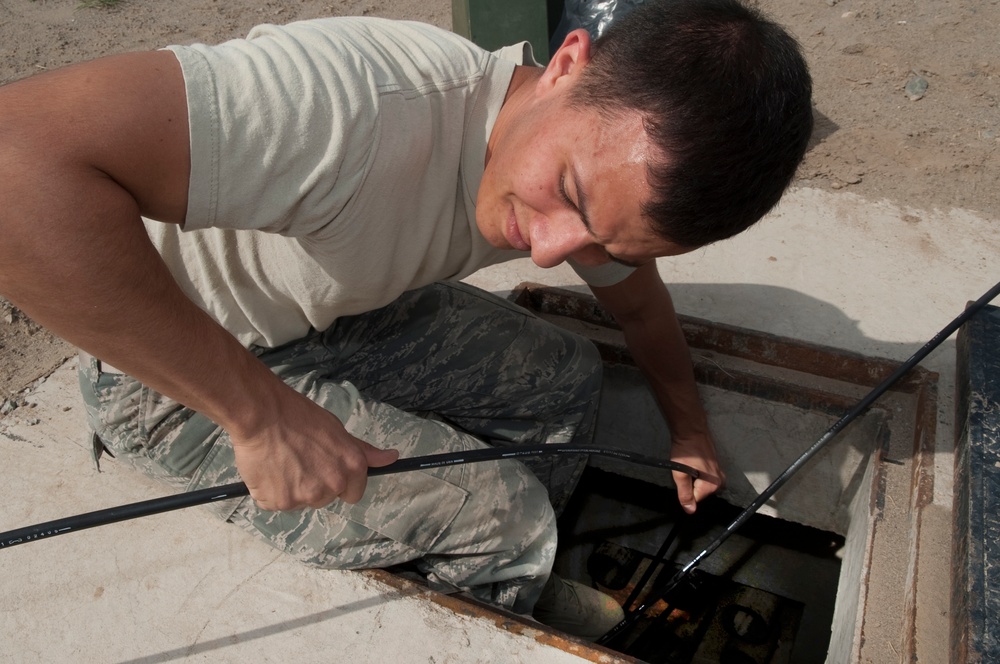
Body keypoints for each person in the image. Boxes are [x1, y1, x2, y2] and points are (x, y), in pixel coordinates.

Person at [0, 0, 811, 641]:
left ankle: (489, 547)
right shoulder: (350, 104)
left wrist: (690, 430)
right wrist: (261, 418)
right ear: (568, 64)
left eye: (604, 241)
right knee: (505, 514)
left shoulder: (588, 156)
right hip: (173, 374)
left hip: (320, 320)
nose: (556, 251)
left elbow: (638, 305)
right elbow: (15, 161)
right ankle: (488, 550)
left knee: (565, 384)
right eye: (569, 196)